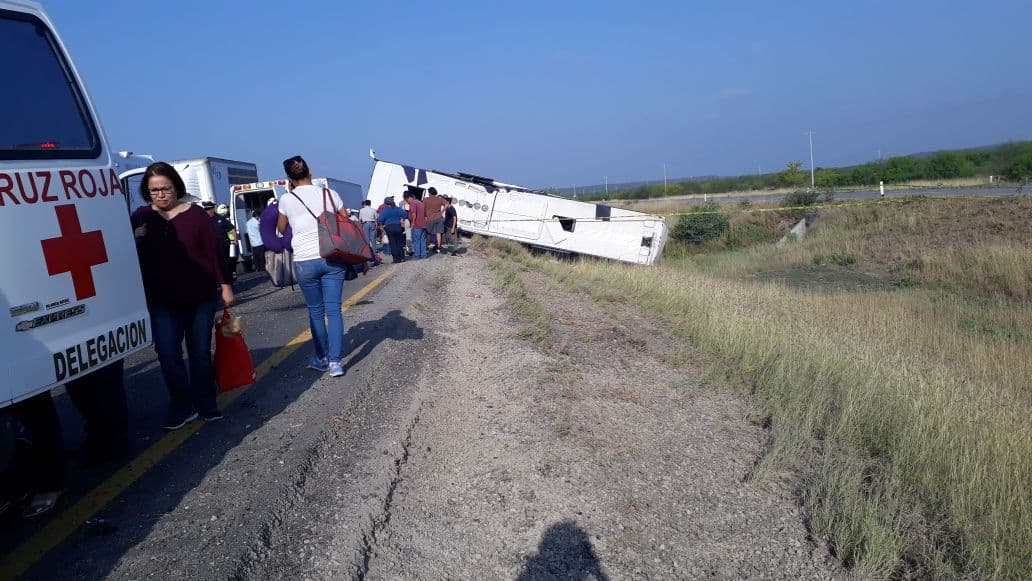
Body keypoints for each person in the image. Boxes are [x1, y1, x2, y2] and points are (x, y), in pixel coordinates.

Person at [132, 162, 235, 430]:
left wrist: (225, 285)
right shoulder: (141, 217)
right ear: (147, 191)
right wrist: (135, 239)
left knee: (199, 353)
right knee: (167, 353)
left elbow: (214, 253)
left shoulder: (196, 215)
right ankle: (181, 404)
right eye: (154, 190)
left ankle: (205, 402)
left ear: (176, 187)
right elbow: (125, 256)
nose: (161, 195)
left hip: (199, 296)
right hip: (162, 299)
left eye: (165, 188)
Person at [276, 155, 347, 377]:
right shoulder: (329, 194)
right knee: (334, 310)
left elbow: (280, 229)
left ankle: (321, 358)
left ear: (289, 178)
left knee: (316, 312)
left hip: (305, 260)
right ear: (310, 171)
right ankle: (336, 363)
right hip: (332, 256)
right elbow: (345, 221)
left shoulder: (287, 200)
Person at [203, 201, 236, 284]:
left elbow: (231, 229)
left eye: (209, 209)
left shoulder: (220, 218)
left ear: (212, 209)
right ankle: (218, 282)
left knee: (226, 263)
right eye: (206, 209)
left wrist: (234, 240)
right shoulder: (203, 220)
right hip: (211, 247)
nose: (207, 211)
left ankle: (229, 280)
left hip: (223, 245)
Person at [377, 196, 408, 263]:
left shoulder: (385, 210)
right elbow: (405, 215)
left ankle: (396, 259)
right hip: (398, 227)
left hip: (389, 228)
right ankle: (402, 258)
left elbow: (380, 220)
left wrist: (381, 225)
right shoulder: (397, 208)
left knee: (393, 243)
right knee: (399, 243)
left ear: (386, 203)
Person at [403, 191, 428, 259]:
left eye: (407, 200)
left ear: (409, 197)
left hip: (417, 225)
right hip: (423, 225)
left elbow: (414, 215)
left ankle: (417, 255)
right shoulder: (421, 203)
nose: (407, 202)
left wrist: (412, 225)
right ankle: (423, 255)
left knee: (416, 241)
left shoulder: (413, 203)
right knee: (422, 240)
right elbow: (426, 215)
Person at [423, 187, 446, 253]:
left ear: (429, 192)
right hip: (439, 218)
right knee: (438, 233)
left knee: (428, 234)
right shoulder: (439, 199)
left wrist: (425, 216)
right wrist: (442, 211)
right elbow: (446, 204)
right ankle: (438, 248)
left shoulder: (426, 200)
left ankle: (427, 248)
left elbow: (423, 209)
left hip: (429, 218)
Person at [245, 209, 266, 274]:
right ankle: (262, 269)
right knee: (261, 257)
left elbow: (248, 233)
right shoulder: (257, 223)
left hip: (253, 243)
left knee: (256, 257)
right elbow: (262, 231)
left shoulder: (247, 223)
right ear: (257, 216)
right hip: (260, 242)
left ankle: (258, 268)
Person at [358, 199, 378, 266]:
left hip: (365, 224)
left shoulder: (361, 210)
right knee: (373, 240)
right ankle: (374, 255)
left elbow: (360, 219)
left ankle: (368, 255)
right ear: (370, 204)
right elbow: (376, 218)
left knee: (366, 240)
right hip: (372, 223)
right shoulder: (373, 210)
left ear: (365, 204)